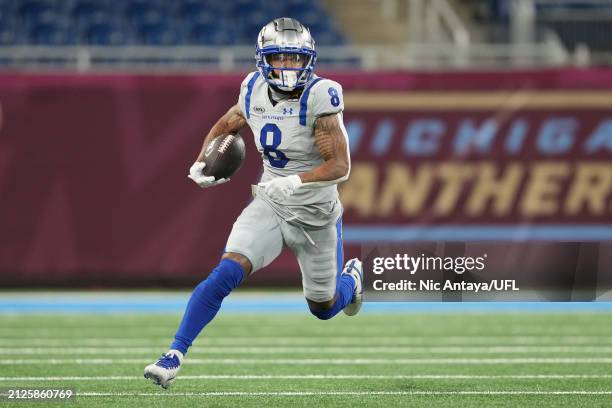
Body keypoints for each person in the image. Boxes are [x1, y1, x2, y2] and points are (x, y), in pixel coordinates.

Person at [144, 17, 363, 389]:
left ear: (309, 60)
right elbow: (225, 126)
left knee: (323, 308)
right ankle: (174, 354)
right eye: (280, 58)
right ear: (264, 59)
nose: (289, 67)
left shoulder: (321, 95)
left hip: (316, 215)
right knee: (227, 271)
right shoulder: (252, 89)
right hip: (271, 205)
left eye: (296, 59)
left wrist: (296, 180)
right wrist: (201, 161)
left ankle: (352, 280)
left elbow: (340, 165)